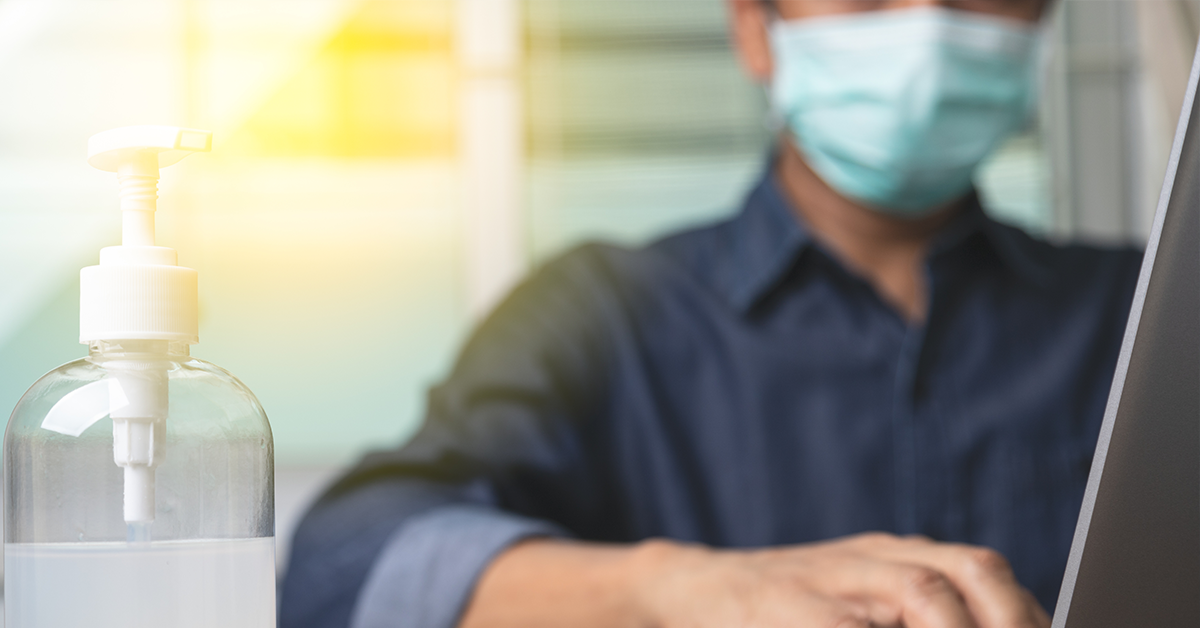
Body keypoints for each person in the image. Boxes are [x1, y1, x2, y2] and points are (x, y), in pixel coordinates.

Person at [281, 1, 1144, 627]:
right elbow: (344, 569)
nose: (923, 27)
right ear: (753, 30)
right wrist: (675, 589)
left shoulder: (1145, 319)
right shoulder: (603, 312)